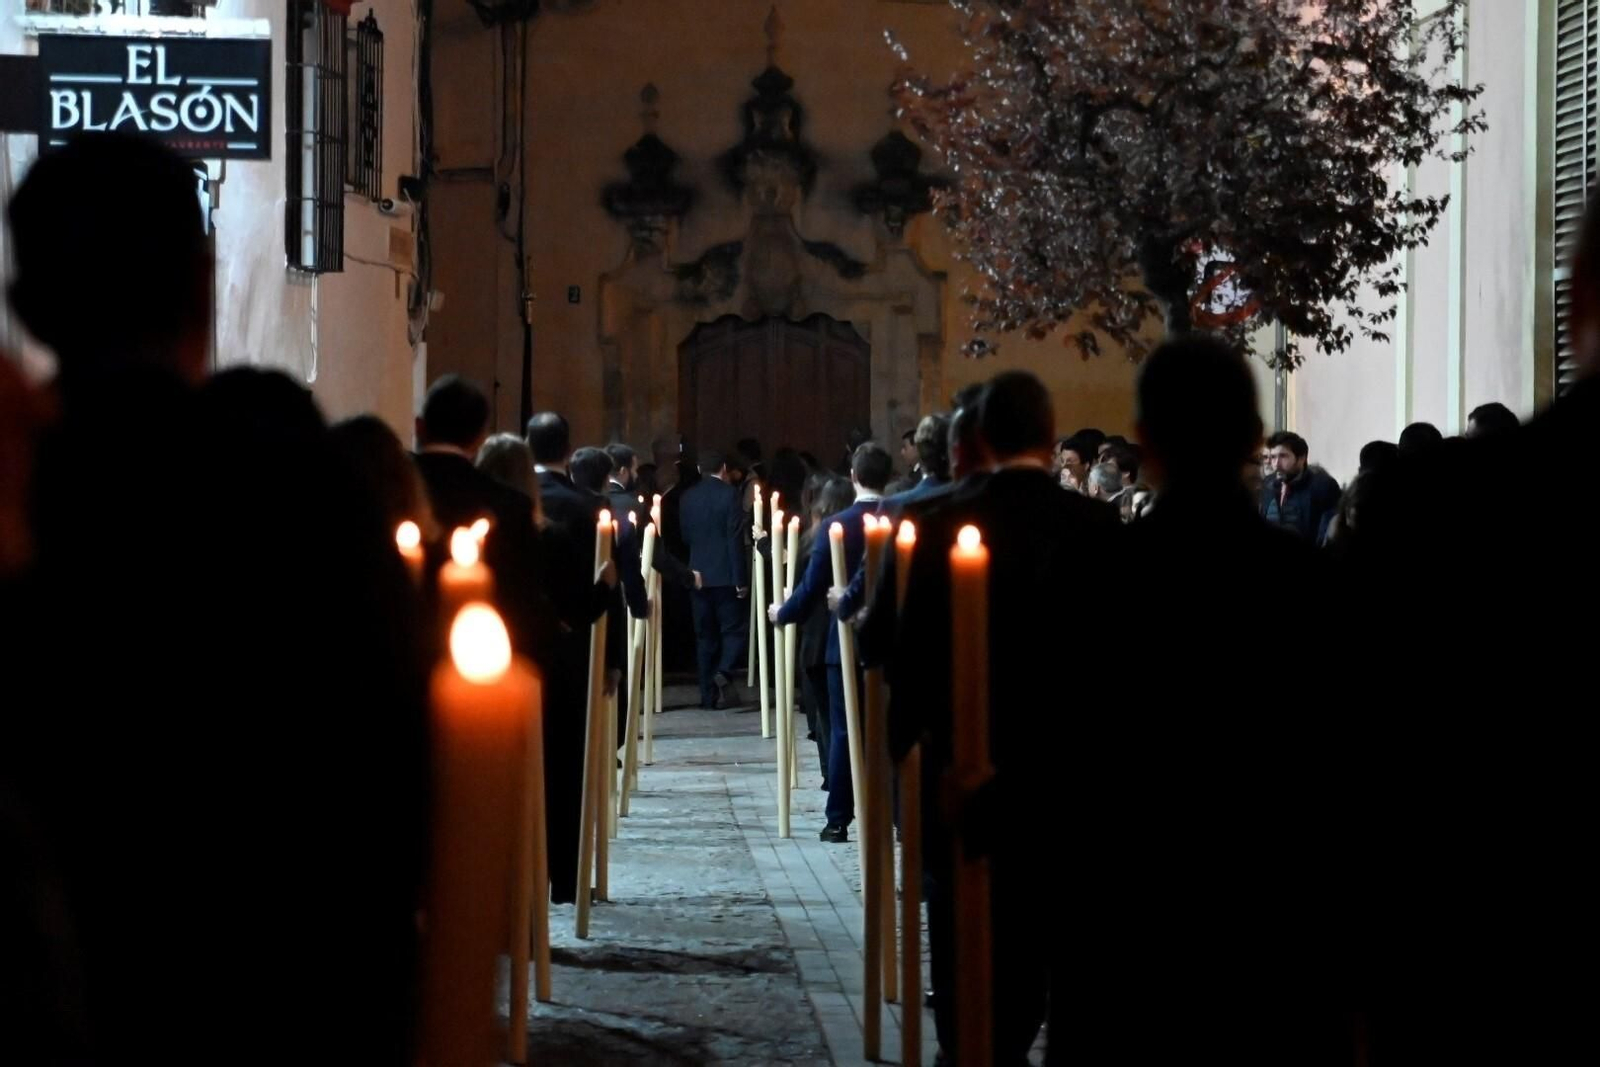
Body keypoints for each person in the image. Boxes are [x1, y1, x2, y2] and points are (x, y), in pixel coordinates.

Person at [3, 134, 427, 1063]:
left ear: (27, 306)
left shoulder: (27, 489)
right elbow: (395, 773)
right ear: (202, 285)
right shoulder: (307, 495)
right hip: (276, 995)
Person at [892, 371, 1119, 1065]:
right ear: (1050, 439)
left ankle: (968, 1044)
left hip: (968, 765)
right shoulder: (1095, 525)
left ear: (981, 438)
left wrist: (902, 757)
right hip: (1067, 774)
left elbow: (908, 656)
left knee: (966, 932)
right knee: (1060, 937)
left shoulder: (937, 524)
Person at [773, 442, 892, 842]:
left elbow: (811, 588)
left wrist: (783, 613)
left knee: (843, 730)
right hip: (890, 642)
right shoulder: (898, 518)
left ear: (854, 476)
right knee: (890, 727)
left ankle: (839, 818)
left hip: (845, 645)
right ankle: (896, 813)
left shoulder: (837, 524)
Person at [525, 411, 620, 904]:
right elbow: (607, 587)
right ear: (568, 450)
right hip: (572, 651)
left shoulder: (514, 501)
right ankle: (565, 878)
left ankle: (520, 878)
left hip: (513, 655)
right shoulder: (587, 508)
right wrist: (612, 660)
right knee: (567, 766)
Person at [795, 475, 856, 784]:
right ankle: (847, 775)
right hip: (848, 634)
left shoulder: (813, 541)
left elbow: (803, 589)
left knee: (827, 714)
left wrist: (786, 610)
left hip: (818, 637)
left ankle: (832, 774)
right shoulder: (860, 534)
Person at [677, 449, 749, 709]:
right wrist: (741, 578)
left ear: (700, 470)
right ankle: (724, 670)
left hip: (697, 573)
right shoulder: (730, 495)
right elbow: (733, 538)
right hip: (726, 574)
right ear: (724, 468)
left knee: (704, 637)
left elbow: (685, 536)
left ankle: (707, 697)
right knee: (734, 630)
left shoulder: (687, 497)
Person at [1260, 430, 1341, 542]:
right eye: (1273, 457)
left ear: (1301, 458)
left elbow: (1327, 534)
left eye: (1283, 456)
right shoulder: (1267, 484)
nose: (1276, 464)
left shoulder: (1323, 486)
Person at [880, 413, 952, 517]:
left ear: (919, 450)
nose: (901, 452)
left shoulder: (892, 505)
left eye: (905, 447)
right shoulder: (973, 499)